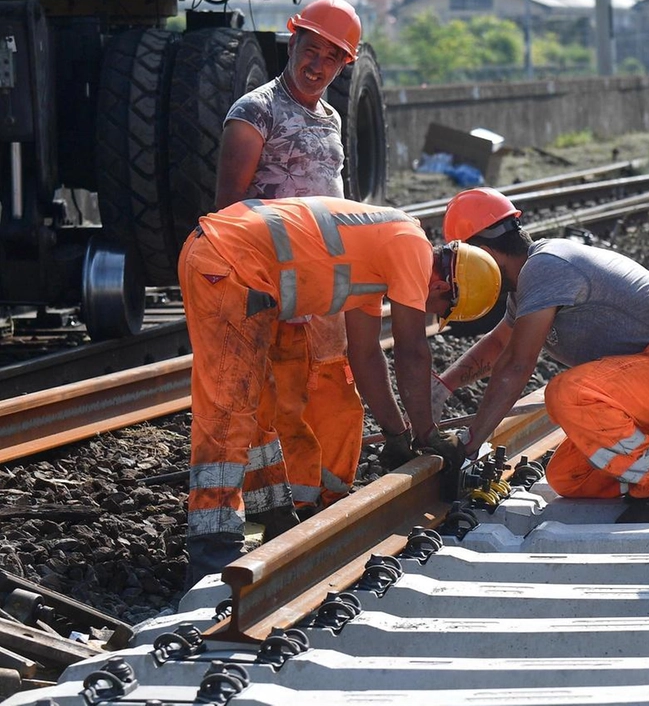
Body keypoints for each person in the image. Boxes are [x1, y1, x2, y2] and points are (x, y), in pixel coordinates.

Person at [179, 196, 501, 583]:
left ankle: (271, 512)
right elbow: (412, 350)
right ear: (444, 283)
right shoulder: (409, 245)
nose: (429, 311)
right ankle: (212, 552)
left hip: (236, 260)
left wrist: (397, 435)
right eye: (438, 307)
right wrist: (427, 434)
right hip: (228, 260)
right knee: (229, 409)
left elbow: (365, 356)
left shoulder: (378, 259)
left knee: (261, 401)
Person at [431, 187, 649, 523]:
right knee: (569, 475)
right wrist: (444, 386)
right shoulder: (529, 284)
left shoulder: (546, 267)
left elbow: (516, 365)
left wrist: (469, 445)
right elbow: (499, 344)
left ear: (483, 254)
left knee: (567, 393)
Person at [212, 0, 364, 530]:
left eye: (332, 57)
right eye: (311, 49)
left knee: (331, 391)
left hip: (325, 288)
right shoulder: (254, 112)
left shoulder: (331, 117)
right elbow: (227, 210)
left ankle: (326, 497)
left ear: (346, 63)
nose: (317, 64)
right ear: (292, 42)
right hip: (273, 284)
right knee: (278, 402)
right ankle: (277, 512)